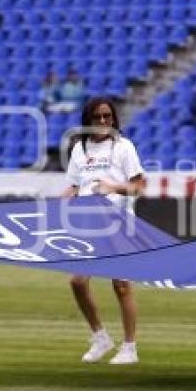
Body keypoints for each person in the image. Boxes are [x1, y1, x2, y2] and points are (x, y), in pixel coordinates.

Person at [63, 98, 145, 365]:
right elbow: (73, 186)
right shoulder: (79, 149)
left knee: (121, 284)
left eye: (107, 116)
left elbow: (138, 186)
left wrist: (113, 187)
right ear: (88, 119)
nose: (102, 121)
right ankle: (100, 337)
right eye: (97, 117)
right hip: (87, 221)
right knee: (77, 281)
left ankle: (130, 347)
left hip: (118, 220)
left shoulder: (123, 147)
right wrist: (58, 203)